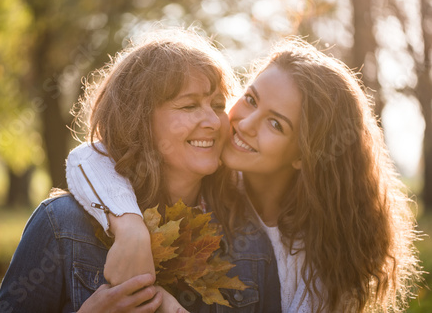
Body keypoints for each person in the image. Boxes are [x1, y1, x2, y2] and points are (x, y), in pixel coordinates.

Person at [66, 37, 422, 312]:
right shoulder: (211, 169)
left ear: (304, 154)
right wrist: (130, 229)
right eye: (250, 99)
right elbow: (91, 157)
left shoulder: (325, 250)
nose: (244, 124)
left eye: (275, 123)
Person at [0, 28, 282, 313]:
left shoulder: (250, 245)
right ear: (138, 121)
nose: (213, 121)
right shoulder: (61, 225)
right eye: (189, 106)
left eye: (218, 105)